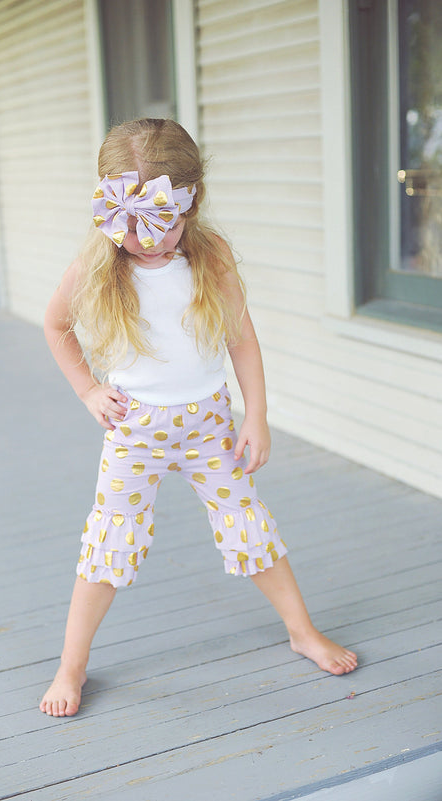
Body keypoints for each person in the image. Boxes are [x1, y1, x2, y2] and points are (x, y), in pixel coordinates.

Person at [40, 118, 357, 717]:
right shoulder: (98, 267)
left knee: (249, 525)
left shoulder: (210, 260)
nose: (145, 241)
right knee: (109, 543)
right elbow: (56, 325)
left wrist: (256, 414)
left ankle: (301, 631)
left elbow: (240, 336)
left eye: (162, 224)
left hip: (209, 424)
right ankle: (71, 666)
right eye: (130, 226)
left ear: (191, 204)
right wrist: (87, 391)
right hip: (134, 430)